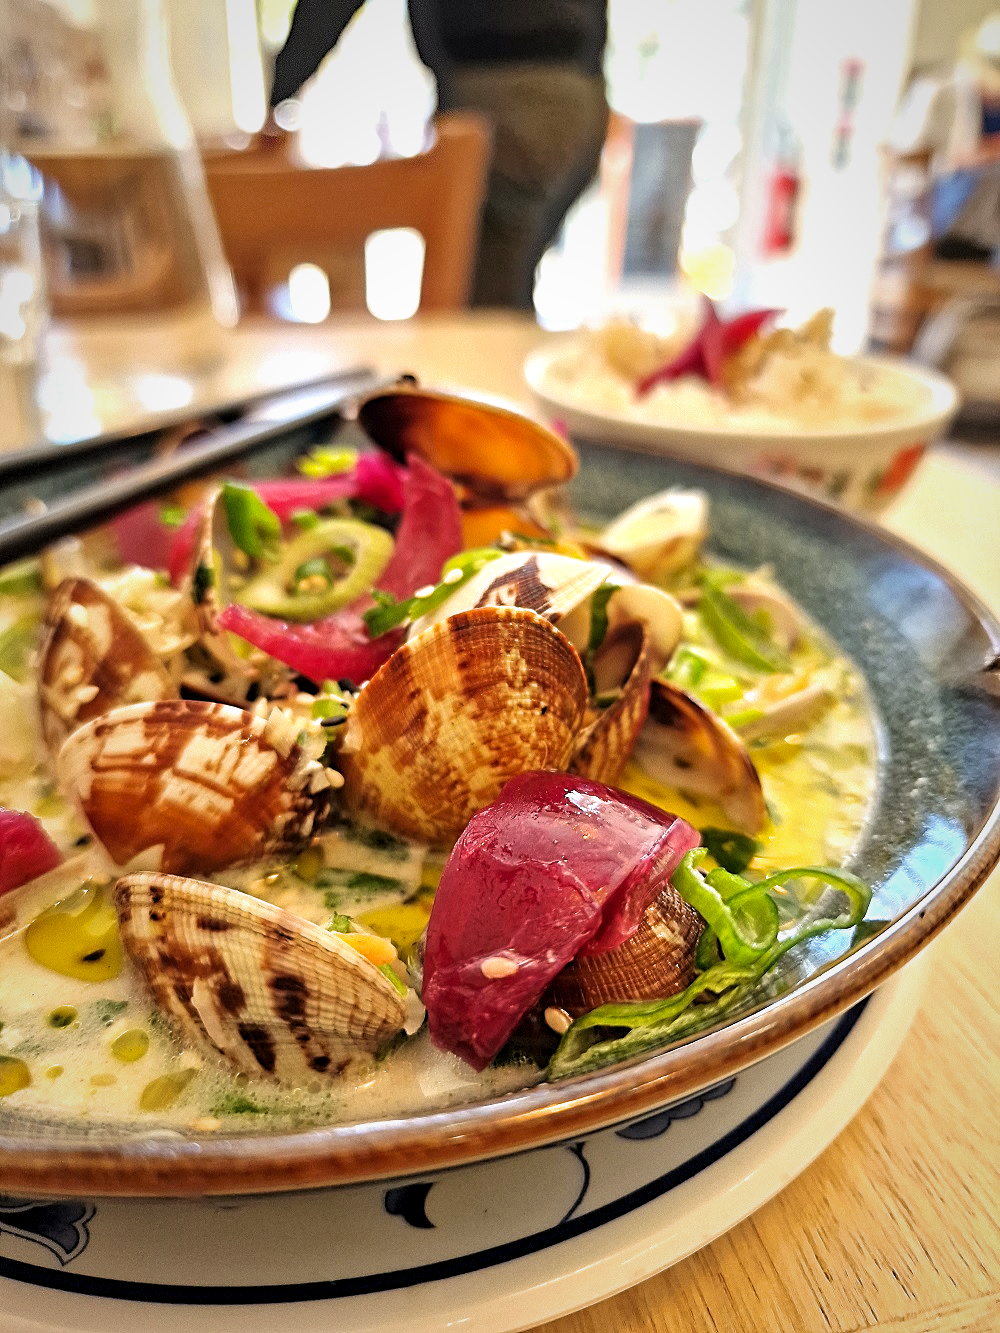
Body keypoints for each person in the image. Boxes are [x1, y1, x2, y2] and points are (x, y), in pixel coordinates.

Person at [267, 0, 609, 311]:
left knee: (486, 308)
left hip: (509, 88)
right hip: (578, 91)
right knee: (506, 289)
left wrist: (279, 93)